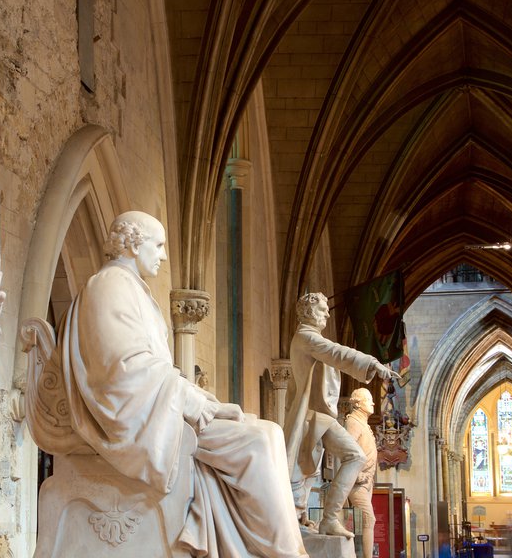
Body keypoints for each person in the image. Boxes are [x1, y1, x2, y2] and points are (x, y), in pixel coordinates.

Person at [59, 211, 308, 557]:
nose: (163, 255)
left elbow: (153, 369)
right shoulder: (108, 286)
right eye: (158, 245)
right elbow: (121, 370)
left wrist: (200, 399)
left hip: (158, 411)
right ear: (133, 243)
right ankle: (283, 552)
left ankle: (266, 547)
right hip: (138, 423)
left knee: (266, 432)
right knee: (259, 441)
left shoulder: (131, 288)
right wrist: (192, 403)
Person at [284, 292, 397, 538]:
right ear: (307, 312)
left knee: (311, 468)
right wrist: (372, 364)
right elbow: (336, 352)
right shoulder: (305, 337)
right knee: (326, 463)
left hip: (320, 417)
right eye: (323, 309)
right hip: (311, 416)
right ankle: (323, 519)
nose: (327, 313)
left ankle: (315, 519)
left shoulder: (311, 338)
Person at [345, 387, 378, 555]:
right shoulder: (353, 422)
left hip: (367, 481)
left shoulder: (363, 424)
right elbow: (346, 451)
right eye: (368, 400)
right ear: (358, 403)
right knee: (369, 518)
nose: (372, 403)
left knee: (362, 521)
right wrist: (356, 474)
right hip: (357, 481)